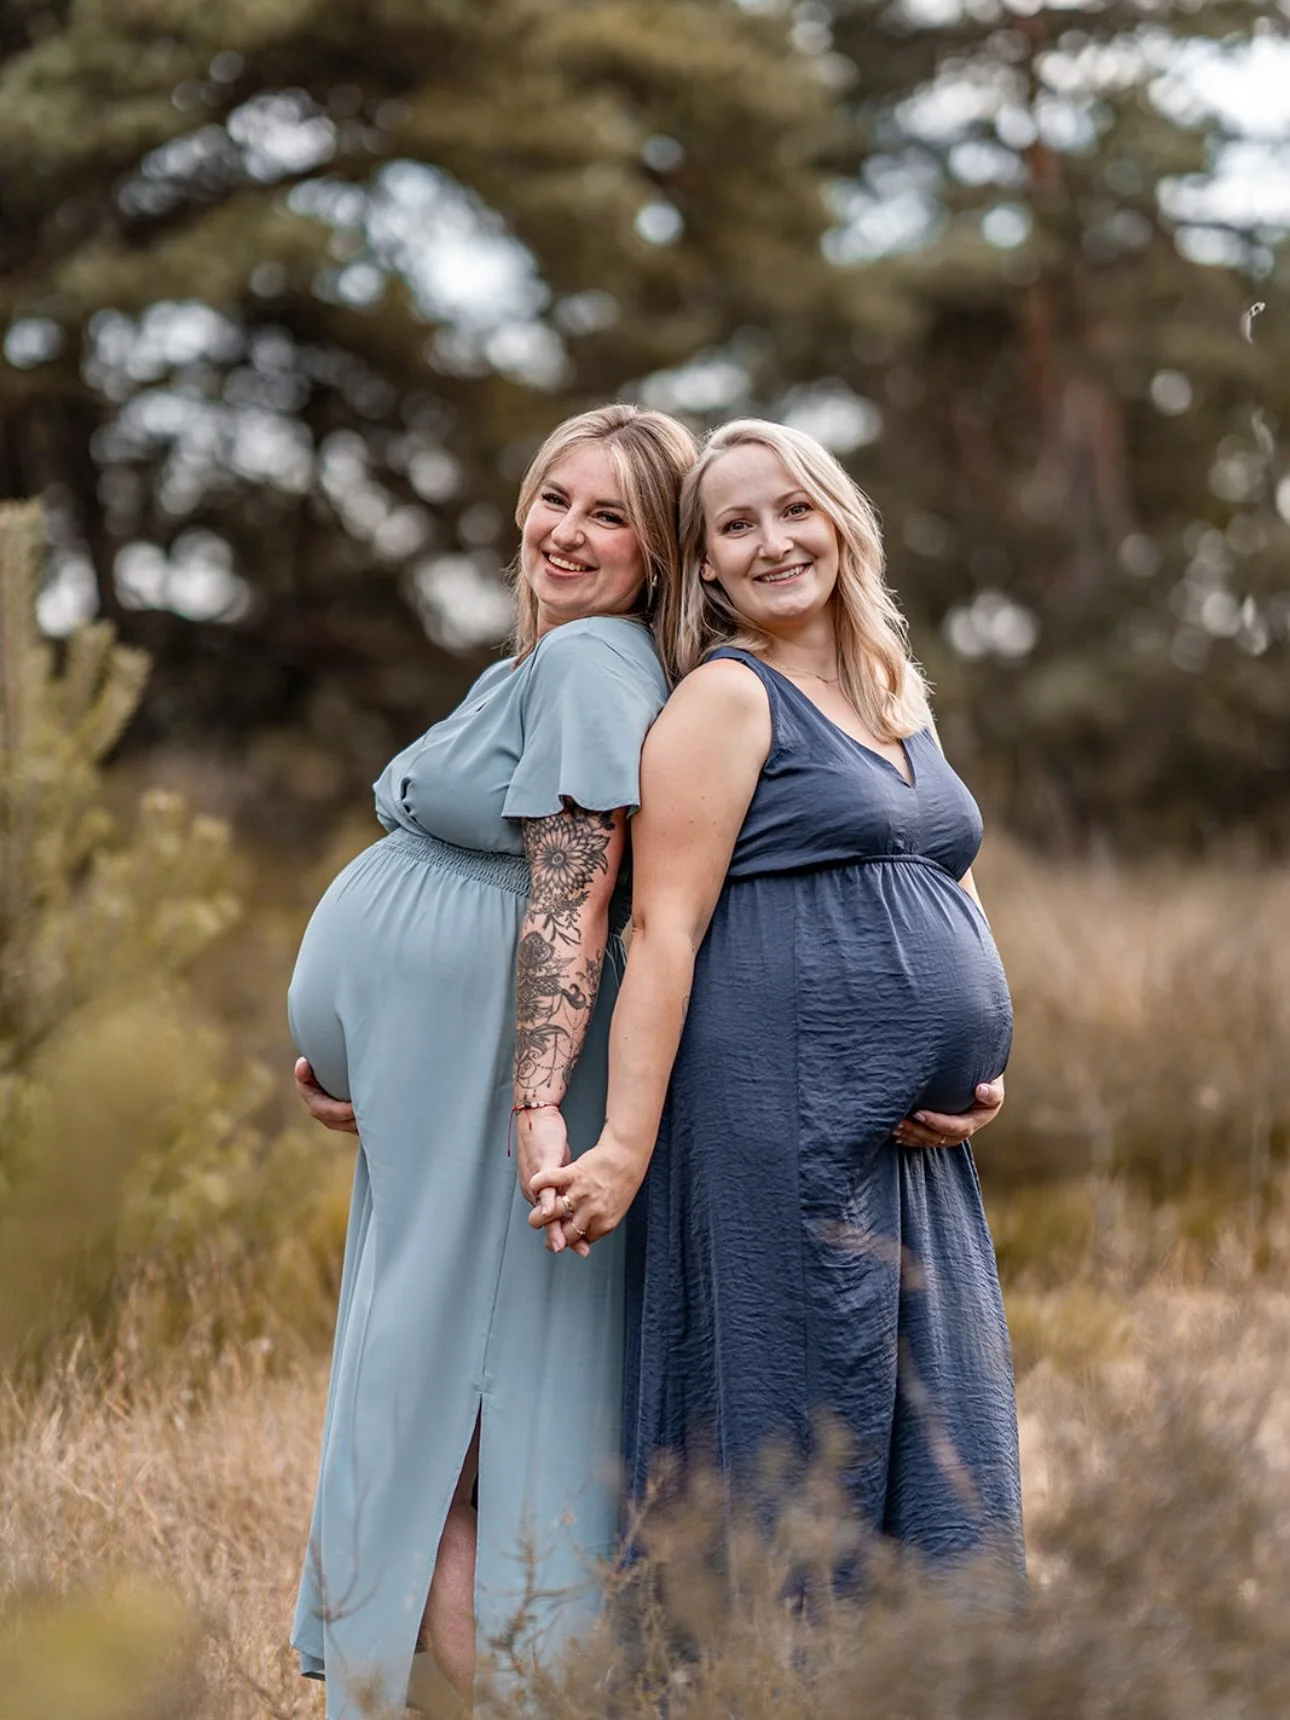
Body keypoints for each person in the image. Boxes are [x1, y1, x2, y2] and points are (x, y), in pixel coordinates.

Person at [532, 419, 1024, 1574]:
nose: (773, 542)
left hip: (913, 1149)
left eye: (793, 509)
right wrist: (621, 1147)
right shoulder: (727, 697)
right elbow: (662, 926)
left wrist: (982, 1069)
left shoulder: (896, 693)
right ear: (703, 563)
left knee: (941, 1441)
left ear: (841, 519)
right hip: (776, 1125)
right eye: (735, 525)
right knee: (794, 1443)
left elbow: (948, 877)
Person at [285, 403, 698, 1717]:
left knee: (455, 1453)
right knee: (447, 1447)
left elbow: (576, 889)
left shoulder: (589, 669)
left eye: (609, 515)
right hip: (444, 1103)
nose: (566, 533)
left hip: (500, 1121)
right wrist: (385, 1056)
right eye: (553, 499)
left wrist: (522, 1107)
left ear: (661, 552)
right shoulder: (551, 656)